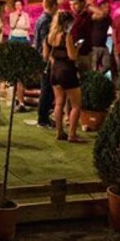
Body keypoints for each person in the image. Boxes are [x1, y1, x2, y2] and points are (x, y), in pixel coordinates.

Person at [46, 10, 83, 142]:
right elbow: (72, 56)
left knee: (59, 103)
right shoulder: (66, 36)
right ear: (67, 23)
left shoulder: (50, 36)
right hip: (67, 70)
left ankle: (59, 132)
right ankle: (72, 135)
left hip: (55, 70)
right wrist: (77, 47)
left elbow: (47, 55)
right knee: (76, 105)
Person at [30, 0, 58, 129]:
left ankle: (44, 117)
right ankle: (43, 118)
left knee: (46, 88)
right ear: (54, 6)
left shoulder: (40, 19)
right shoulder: (47, 20)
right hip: (46, 58)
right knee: (47, 89)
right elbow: (45, 41)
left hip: (41, 56)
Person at [68, 0, 94, 72]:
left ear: (82, 3)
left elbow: (101, 14)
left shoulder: (87, 16)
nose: (73, 7)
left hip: (85, 53)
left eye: (75, 4)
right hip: (73, 53)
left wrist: (88, 5)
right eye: (71, 4)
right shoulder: (70, 17)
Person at [89, 0, 112, 73]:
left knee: (107, 65)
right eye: (106, 7)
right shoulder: (95, 16)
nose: (109, 8)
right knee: (94, 68)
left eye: (109, 7)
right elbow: (100, 13)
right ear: (101, 8)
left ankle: (98, 75)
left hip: (103, 45)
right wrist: (90, 5)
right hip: (94, 46)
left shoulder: (108, 18)